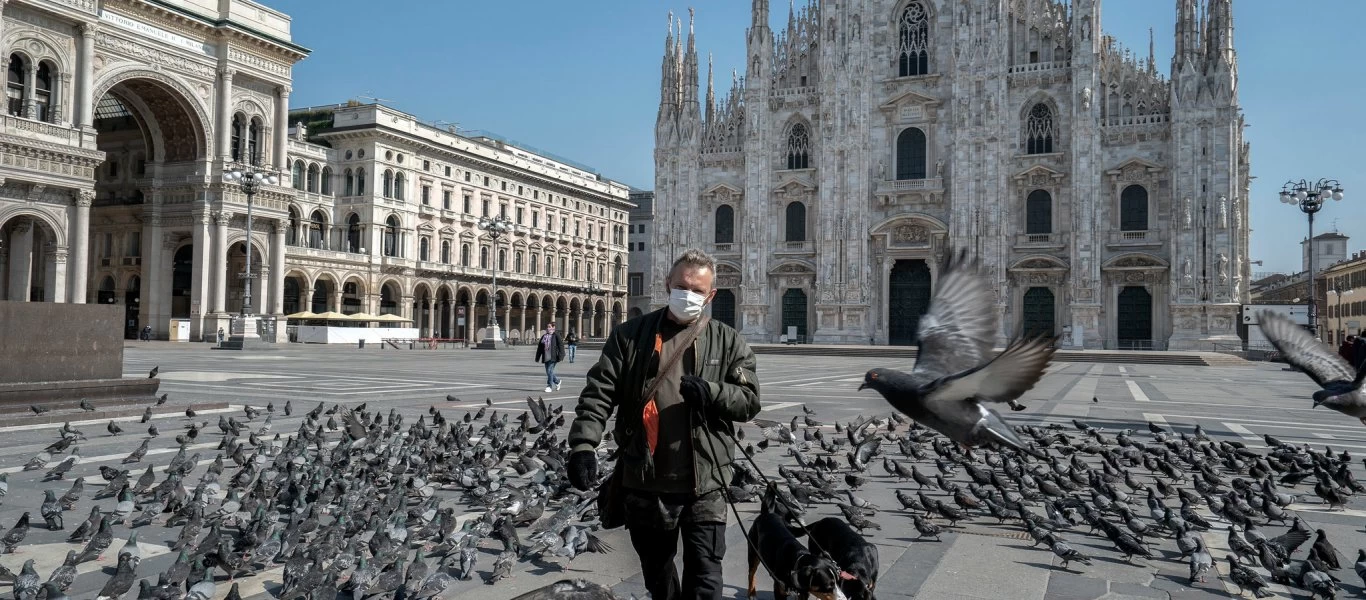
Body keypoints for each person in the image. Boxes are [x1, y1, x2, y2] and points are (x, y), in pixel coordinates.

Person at [567, 249, 760, 600]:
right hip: (646, 481)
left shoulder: (729, 341)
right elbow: (598, 394)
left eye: (698, 290)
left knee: (706, 578)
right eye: (682, 286)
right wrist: (583, 445)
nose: (688, 294)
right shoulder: (630, 336)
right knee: (658, 575)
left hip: (705, 481)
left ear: (711, 295)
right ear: (667, 284)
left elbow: (749, 401)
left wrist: (713, 392)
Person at [534, 322, 565, 393]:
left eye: (549, 327)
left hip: (553, 357)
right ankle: (557, 382)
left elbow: (561, 345)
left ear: (553, 328)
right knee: (548, 372)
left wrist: (561, 355)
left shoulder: (556, 335)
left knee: (549, 371)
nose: (548, 328)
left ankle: (549, 386)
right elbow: (540, 348)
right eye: (547, 327)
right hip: (546, 357)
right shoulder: (544, 336)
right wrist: (537, 357)